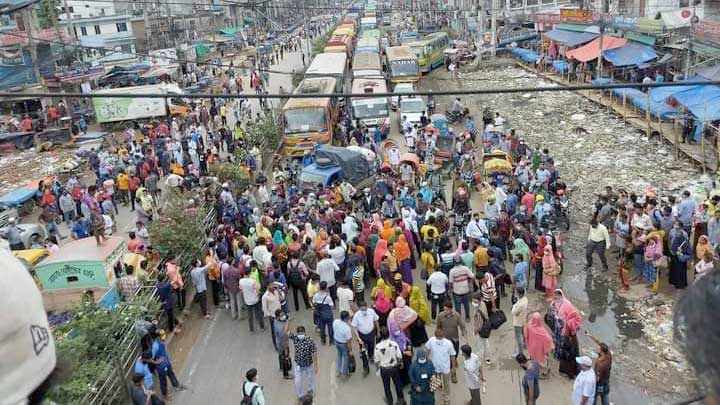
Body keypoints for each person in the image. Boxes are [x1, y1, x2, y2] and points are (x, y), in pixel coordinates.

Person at [374, 326, 406, 405]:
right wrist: (400, 364)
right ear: (389, 334)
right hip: (394, 367)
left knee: (386, 386)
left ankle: (390, 401)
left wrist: (378, 370)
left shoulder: (377, 347)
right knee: (398, 384)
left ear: (380, 335)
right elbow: (399, 356)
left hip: (384, 369)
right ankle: (401, 400)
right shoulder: (394, 344)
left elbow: (376, 360)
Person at [150, 329, 185, 400]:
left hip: (167, 362)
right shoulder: (155, 346)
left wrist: (173, 332)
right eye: (162, 336)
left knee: (171, 373)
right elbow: (150, 358)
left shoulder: (162, 341)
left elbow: (167, 341)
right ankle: (165, 394)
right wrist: (156, 362)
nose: (164, 338)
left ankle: (176, 385)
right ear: (158, 337)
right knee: (163, 381)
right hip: (161, 367)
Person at [425, 327, 456, 405]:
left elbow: (452, 356)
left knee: (447, 384)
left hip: (445, 368)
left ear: (443, 336)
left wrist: (453, 368)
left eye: (440, 338)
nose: (439, 340)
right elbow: (427, 350)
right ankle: (439, 387)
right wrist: (426, 362)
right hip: (435, 367)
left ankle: (447, 398)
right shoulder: (431, 340)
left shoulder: (448, 343)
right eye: (437, 338)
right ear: (435, 336)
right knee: (436, 381)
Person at [289, 325, 318, 401]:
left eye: (302, 333)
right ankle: (300, 396)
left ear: (305, 333)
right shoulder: (295, 338)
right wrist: (286, 320)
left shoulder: (309, 341)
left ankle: (310, 391)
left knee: (310, 378)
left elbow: (314, 353)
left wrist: (315, 365)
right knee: (298, 381)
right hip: (298, 364)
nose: (300, 335)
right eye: (299, 333)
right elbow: (287, 332)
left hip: (308, 364)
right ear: (297, 333)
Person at [352, 300, 380, 376]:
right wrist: (359, 338)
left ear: (367, 307)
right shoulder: (357, 315)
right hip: (362, 336)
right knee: (363, 352)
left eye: (365, 309)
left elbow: (376, 321)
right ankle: (366, 369)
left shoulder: (371, 312)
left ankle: (371, 356)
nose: (364, 310)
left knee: (371, 346)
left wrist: (378, 331)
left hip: (371, 333)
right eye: (362, 309)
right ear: (359, 308)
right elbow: (354, 327)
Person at [524, 312, 554, 377]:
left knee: (534, 359)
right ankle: (542, 373)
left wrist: (527, 343)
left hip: (532, 346)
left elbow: (526, 335)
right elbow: (548, 339)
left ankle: (537, 371)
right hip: (540, 349)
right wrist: (550, 347)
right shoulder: (541, 330)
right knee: (541, 360)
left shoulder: (529, 325)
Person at [449, 256, 475, 321]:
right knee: (466, 305)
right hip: (466, 290)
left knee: (458, 306)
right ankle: (467, 317)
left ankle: (459, 318)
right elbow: (472, 276)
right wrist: (469, 282)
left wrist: (450, 290)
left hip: (457, 291)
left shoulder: (452, 271)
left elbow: (451, 282)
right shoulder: (465, 268)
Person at [588, 334, 612, 405]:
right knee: (604, 395)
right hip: (606, 381)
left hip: (599, 384)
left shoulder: (600, 364)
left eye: (599, 348)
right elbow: (599, 342)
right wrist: (590, 335)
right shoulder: (609, 355)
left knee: (594, 396)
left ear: (601, 351)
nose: (597, 348)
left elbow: (597, 378)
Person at [273, 309, 293, 379]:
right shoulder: (279, 327)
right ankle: (286, 374)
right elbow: (284, 334)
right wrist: (285, 347)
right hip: (283, 343)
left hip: (279, 342)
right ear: (277, 317)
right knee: (285, 358)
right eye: (281, 315)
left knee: (281, 355)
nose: (283, 316)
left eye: (283, 314)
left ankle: (281, 367)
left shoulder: (276, 320)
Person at [511, 287, 529, 356]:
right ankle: (525, 345)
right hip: (523, 319)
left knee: (519, 337)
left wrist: (513, 307)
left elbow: (513, 312)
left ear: (519, 294)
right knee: (522, 334)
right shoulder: (525, 299)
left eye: (516, 292)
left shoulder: (519, 304)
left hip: (517, 322)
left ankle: (520, 352)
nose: (515, 294)